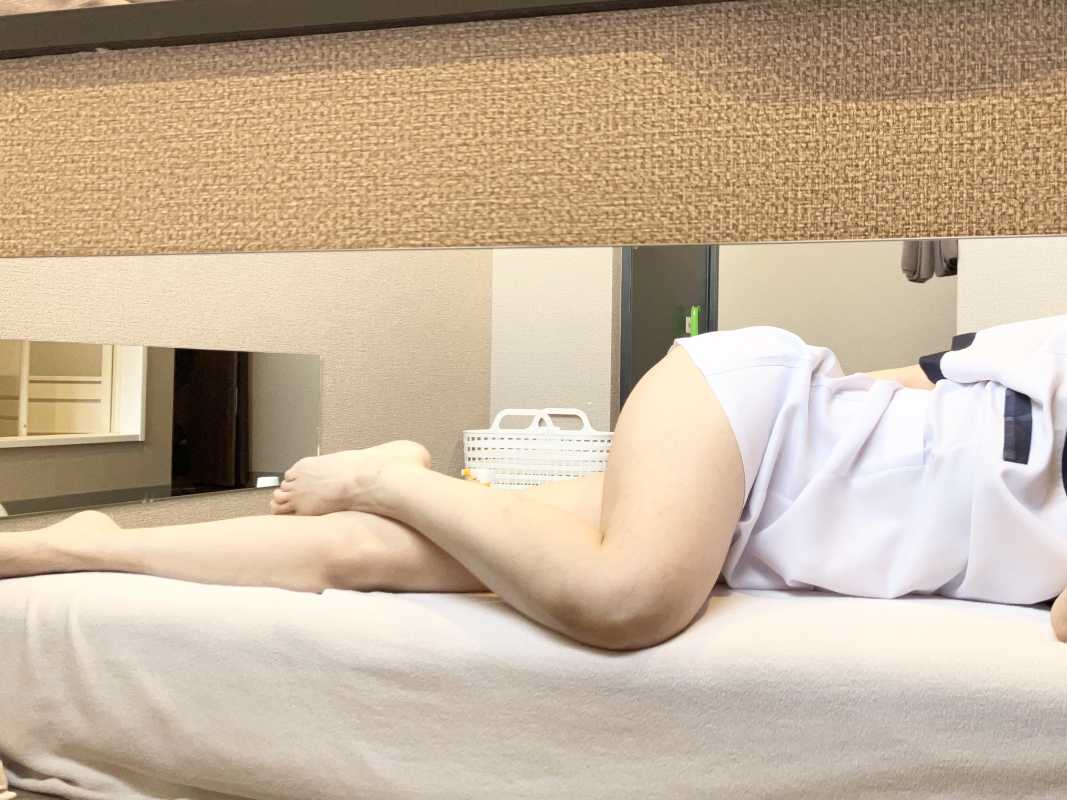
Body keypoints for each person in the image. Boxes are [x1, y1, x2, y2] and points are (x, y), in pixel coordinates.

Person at [3, 317, 1067, 651]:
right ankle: (392, 476)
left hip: (753, 512)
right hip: (756, 420)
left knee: (375, 558)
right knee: (624, 600)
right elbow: (905, 382)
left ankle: (75, 542)